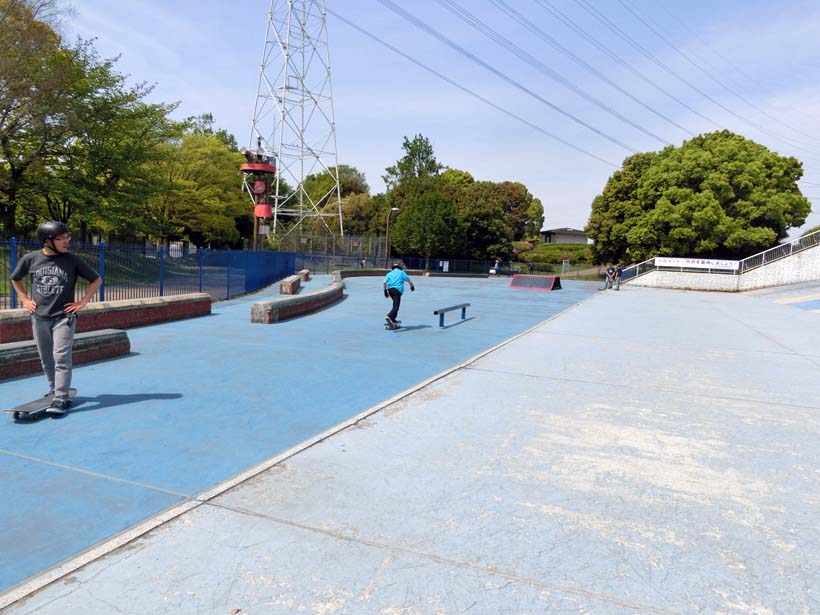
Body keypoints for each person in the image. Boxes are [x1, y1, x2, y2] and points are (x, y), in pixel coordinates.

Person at [10, 221, 102, 414]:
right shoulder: (31, 259)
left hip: (63, 317)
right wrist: (25, 299)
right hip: (39, 316)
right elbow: (15, 278)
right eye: (60, 239)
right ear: (47, 241)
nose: (66, 242)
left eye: (67, 238)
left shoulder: (72, 260)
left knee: (61, 357)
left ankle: (61, 398)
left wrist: (82, 302)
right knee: (46, 358)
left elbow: (96, 279)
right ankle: (54, 390)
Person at [383, 262, 414, 327]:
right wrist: (412, 286)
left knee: (395, 305)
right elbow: (409, 280)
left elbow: (384, 282)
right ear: (399, 268)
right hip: (397, 291)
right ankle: (389, 316)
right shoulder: (401, 272)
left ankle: (393, 319)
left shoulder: (389, 273)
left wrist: (385, 291)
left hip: (390, 290)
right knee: (396, 306)